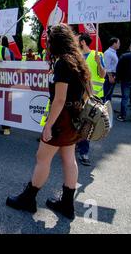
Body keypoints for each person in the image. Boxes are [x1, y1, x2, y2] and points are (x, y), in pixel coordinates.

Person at [6, 24, 91, 220]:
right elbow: (88, 92)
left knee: (42, 158)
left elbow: (59, 99)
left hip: (62, 118)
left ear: (56, 42)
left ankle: (28, 199)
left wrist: (49, 125)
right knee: (69, 159)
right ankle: (67, 205)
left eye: (49, 41)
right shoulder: (78, 60)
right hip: (75, 116)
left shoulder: (63, 63)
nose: (47, 44)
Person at [76, 33, 106, 167]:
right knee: (76, 122)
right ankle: (75, 144)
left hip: (93, 97)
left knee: (86, 125)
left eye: (77, 40)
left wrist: (99, 64)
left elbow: (103, 74)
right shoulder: (75, 55)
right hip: (77, 95)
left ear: (82, 42)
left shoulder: (97, 55)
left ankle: (84, 153)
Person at [103, 37, 120, 103]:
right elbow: (107, 66)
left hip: (112, 75)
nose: (119, 45)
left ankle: (107, 109)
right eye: (118, 43)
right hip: (109, 75)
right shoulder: (108, 53)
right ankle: (104, 109)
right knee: (106, 93)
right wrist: (110, 76)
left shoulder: (113, 52)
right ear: (114, 43)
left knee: (109, 94)